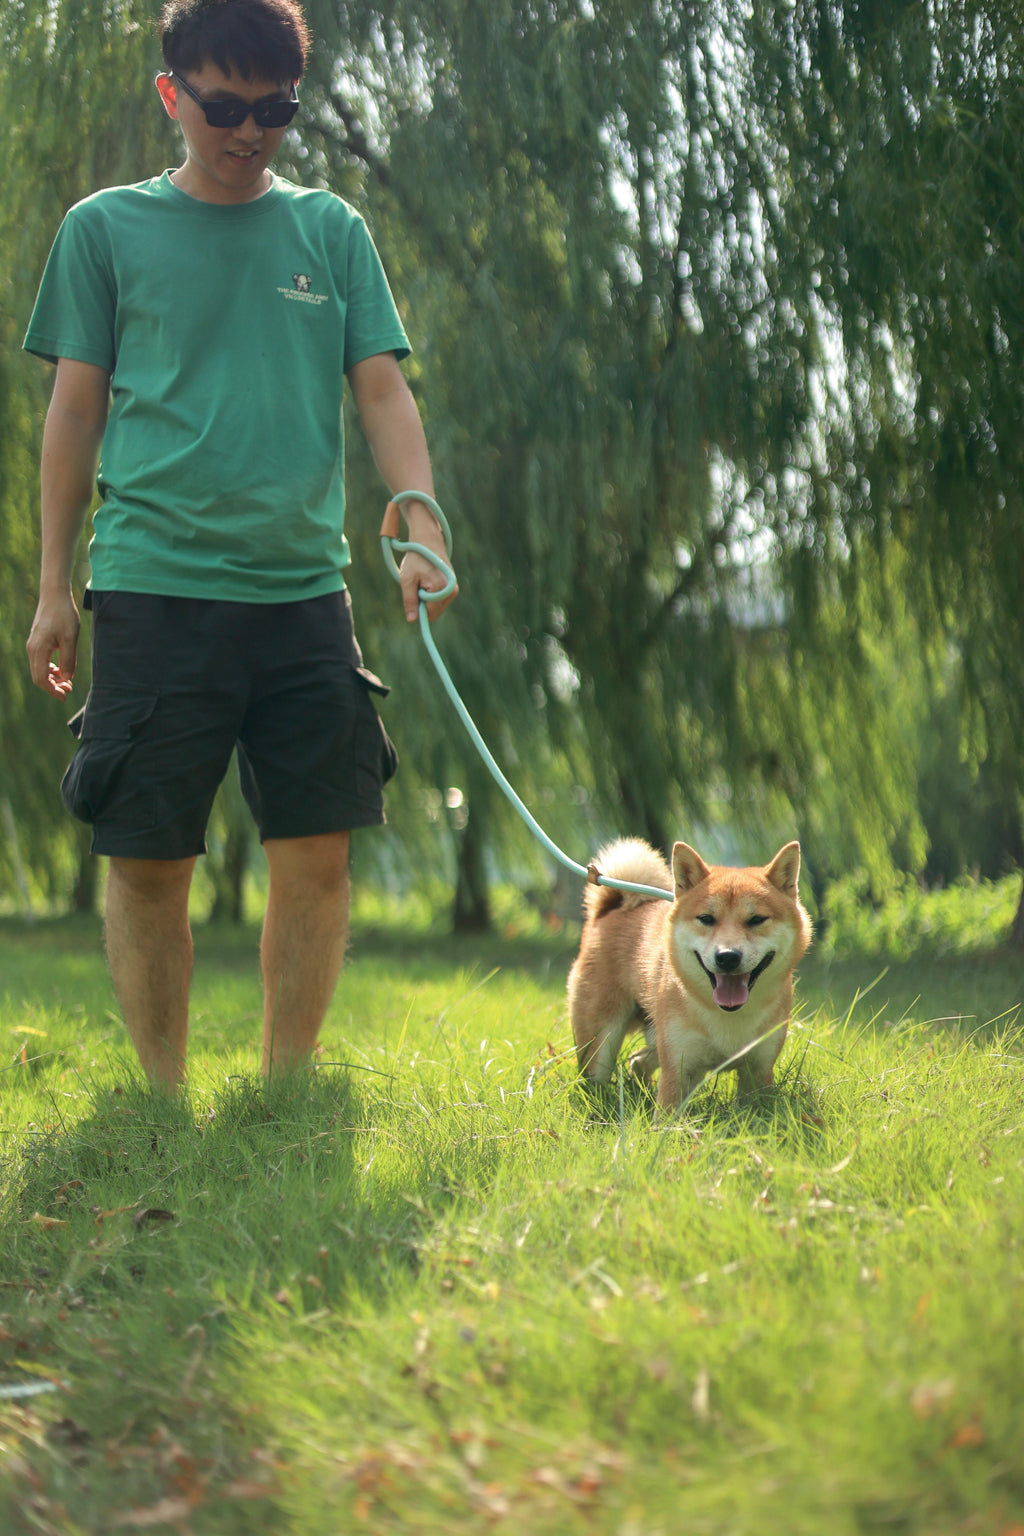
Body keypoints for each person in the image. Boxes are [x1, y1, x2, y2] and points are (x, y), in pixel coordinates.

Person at [23, 0, 455, 1091]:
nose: (248, 130)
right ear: (173, 93)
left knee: (317, 846)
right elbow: (73, 417)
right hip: (152, 586)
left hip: (304, 594)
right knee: (149, 857)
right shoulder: (103, 230)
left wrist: (421, 516)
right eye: (224, 106)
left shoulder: (331, 232)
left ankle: (286, 1078)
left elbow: (381, 385)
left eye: (275, 109)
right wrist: (50, 589)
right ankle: (162, 1090)